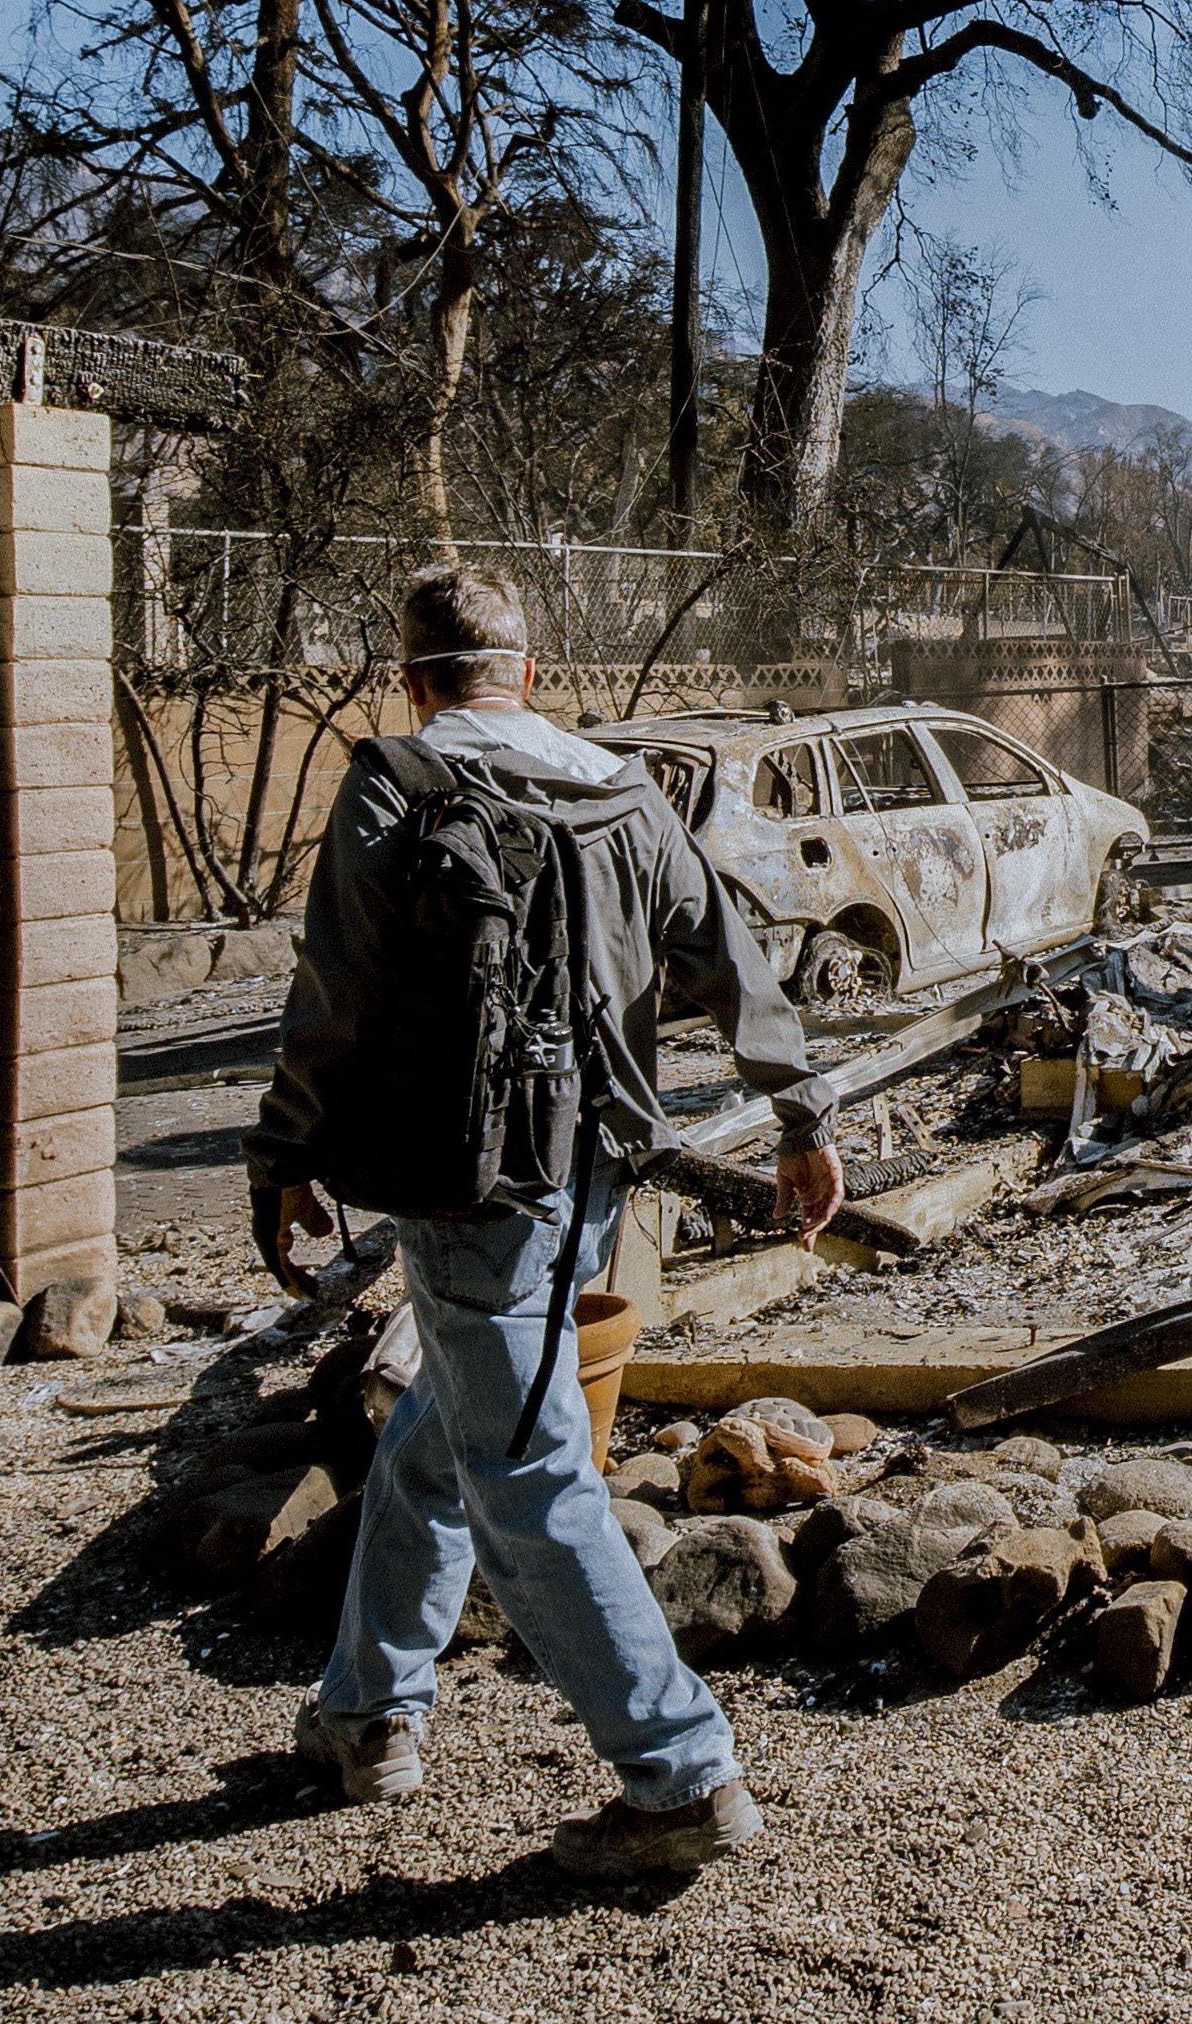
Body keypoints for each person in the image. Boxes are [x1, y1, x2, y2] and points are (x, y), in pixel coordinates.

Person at [246, 563, 841, 1877]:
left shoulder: (398, 783)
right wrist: (802, 1118)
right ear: (530, 673)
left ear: (414, 679)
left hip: (468, 1184)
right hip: (598, 1174)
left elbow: (332, 994)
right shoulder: (618, 786)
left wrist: (283, 1153)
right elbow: (729, 959)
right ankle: (366, 1715)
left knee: (522, 1468)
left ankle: (679, 1775)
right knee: (444, 1428)